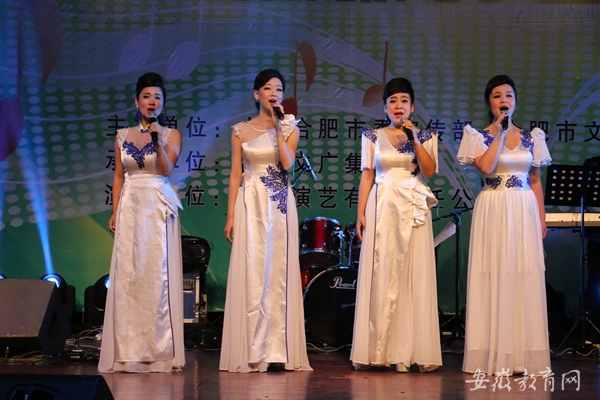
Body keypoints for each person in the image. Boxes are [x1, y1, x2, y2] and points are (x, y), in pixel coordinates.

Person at [457, 74, 552, 376]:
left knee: (522, 273)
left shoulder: (531, 137)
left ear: (515, 100)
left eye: (509, 95)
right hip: (493, 207)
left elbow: (535, 180)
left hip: (523, 208)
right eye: (497, 96)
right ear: (489, 102)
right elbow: (486, 166)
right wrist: (498, 131)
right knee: (494, 272)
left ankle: (521, 354)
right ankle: (492, 353)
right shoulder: (478, 136)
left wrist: (541, 217)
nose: (504, 101)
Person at [219, 68, 312, 373]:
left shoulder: (290, 127)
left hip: (279, 204)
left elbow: (287, 163)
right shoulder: (240, 131)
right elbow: (236, 173)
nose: (274, 94)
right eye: (269, 88)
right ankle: (251, 349)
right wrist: (230, 215)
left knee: (277, 271)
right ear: (256, 93)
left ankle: (277, 349)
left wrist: (278, 129)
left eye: (279, 89)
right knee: (253, 268)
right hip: (250, 202)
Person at [350, 77, 442, 373]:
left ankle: (410, 350)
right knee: (384, 272)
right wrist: (360, 213)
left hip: (413, 206)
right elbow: (367, 174)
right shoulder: (372, 136)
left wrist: (415, 137)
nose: (398, 106)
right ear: (385, 107)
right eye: (393, 101)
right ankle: (380, 350)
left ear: (412, 106)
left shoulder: (425, 135)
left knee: (412, 272)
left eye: (404, 100)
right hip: (383, 205)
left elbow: (429, 170)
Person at [99, 72, 184, 373]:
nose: (152, 101)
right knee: (129, 276)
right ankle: (128, 350)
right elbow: (119, 176)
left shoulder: (171, 134)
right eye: (147, 96)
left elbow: (166, 169)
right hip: (130, 207)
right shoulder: (122, 136)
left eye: (158, 97)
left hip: (157, 206)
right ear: (136, 101)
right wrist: (114, 211)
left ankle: (157, 350)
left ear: (163, 104)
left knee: (155, 276)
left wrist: (157, 140)